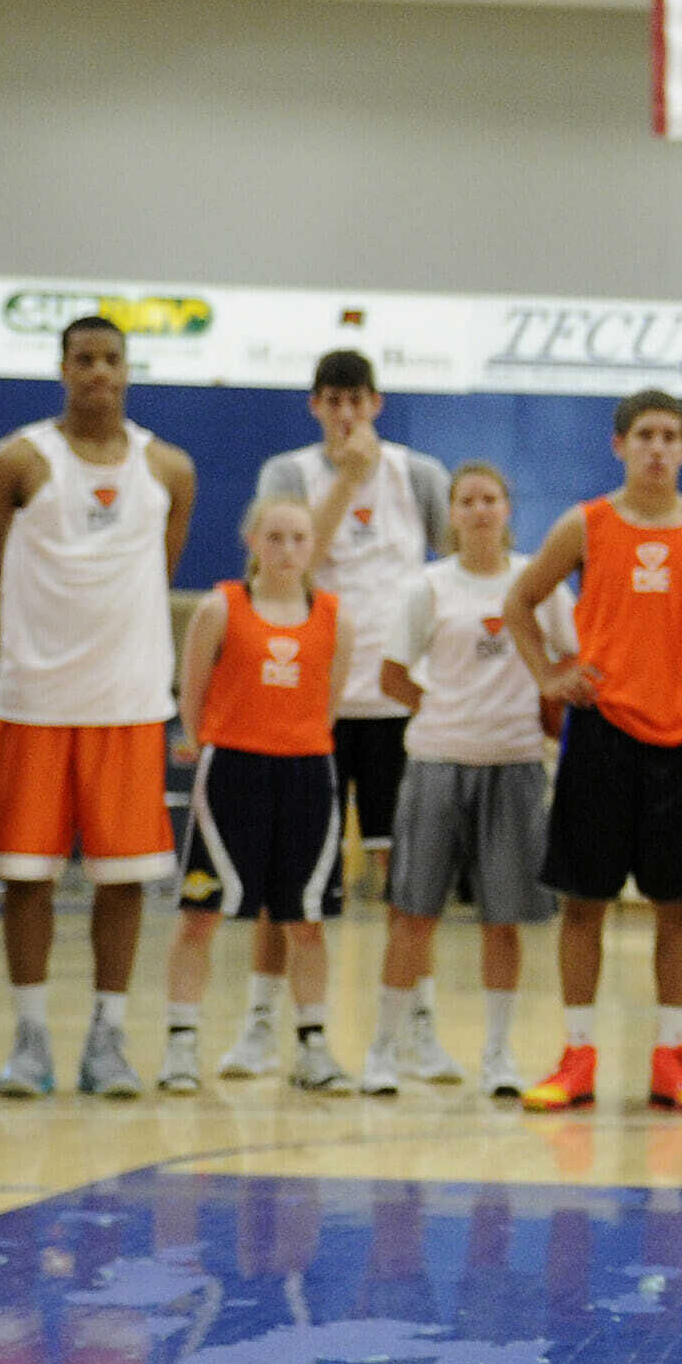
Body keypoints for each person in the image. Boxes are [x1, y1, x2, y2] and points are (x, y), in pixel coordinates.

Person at [508, 390, 682, 1112]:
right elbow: (519, 602)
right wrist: (551, 678)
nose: (657, 448)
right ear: (619, 445)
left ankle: (669, 1058)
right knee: (584, 905)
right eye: (645, 435)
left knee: (678, 908)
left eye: (670, 437)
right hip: (600, 733)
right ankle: (577, 1056)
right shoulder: (586, 525)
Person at [0, 316, 194, 1101]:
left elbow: (157, 573)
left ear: (128, 369)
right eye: (83, 359)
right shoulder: (17, 460)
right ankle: (30, 1038)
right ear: (62, 368)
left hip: (128, 703)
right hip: (34, 702)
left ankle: (108, 1037)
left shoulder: (168, 466)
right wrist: (20, 652)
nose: (98, 371)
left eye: (111, 359)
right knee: (24, 878)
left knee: (123, 878)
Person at [258, 351, 452, 1068]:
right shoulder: (290, 475)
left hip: (399, 699)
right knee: (289, 873)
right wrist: (346, 477)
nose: (346, 414)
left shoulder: (420, 474)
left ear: (377, 403)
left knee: (410, 876)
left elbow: (457, 570)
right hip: (313, 701)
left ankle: (418, 1027)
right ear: (315, 406)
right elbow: (293, 565)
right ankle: (263, 1020)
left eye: (357, 401)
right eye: (332, 401)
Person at [369, 460, 557, 1097]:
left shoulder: (540, 585)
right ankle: (383, 1052)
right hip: (437, 763)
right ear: (451, 513)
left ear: (508, 509)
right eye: (467, 500)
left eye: (490, 499)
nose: (479, 510)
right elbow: (392, 676)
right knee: (412, 914)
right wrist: (446, 711)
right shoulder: (428, 587)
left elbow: (571, 665)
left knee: (502, 921)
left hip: (515, 765)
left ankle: (499, 1055)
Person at [164, 497, 349, 1092]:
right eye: (275, 537)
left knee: (307, 920)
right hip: (233, 772)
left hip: (306, 774)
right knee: (201, 913)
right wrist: (205, 742)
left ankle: (313, 1045)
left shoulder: (335, 617)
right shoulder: (222, 607)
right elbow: (190, 691)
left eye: (299, 538)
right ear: (253, 542)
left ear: (313, 545)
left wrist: (299, 741)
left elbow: (330, 702)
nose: (288, 550)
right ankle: (181, 1044)